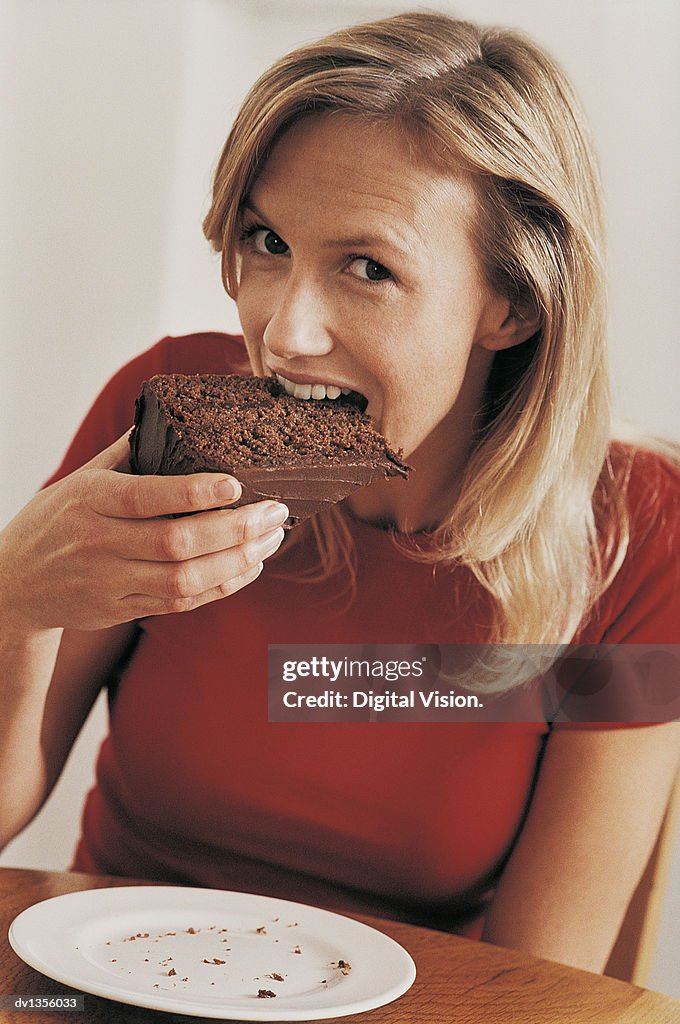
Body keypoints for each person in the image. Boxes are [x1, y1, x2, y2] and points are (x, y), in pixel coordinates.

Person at [1, 12, 679, 975]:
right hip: (108, 985)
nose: (284, 332)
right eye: (267, 241)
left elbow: (542, 980)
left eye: (368, 268)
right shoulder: (168, 423)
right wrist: (12, 602)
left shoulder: (636, 534)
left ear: (515, 302)